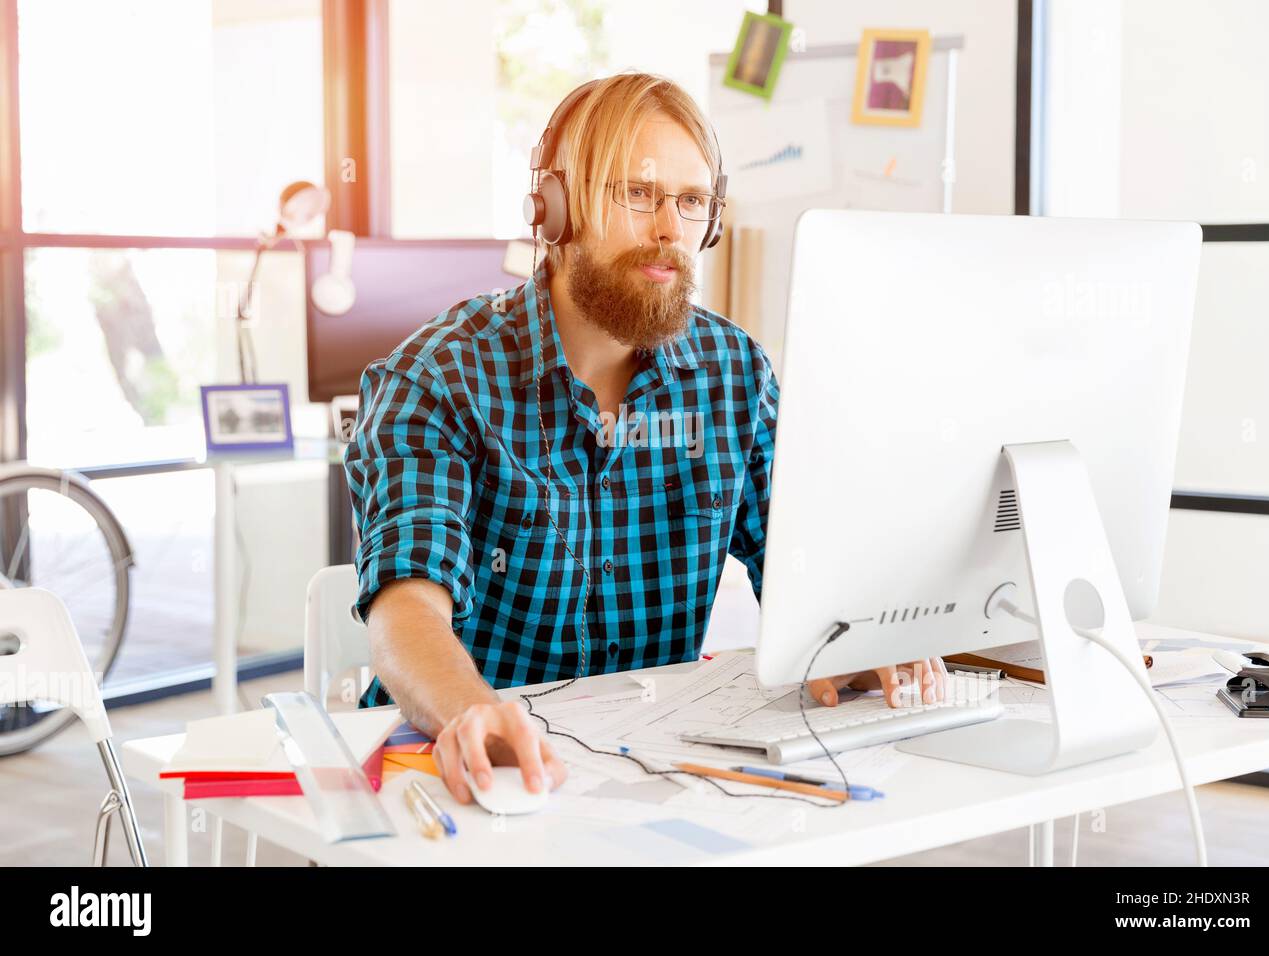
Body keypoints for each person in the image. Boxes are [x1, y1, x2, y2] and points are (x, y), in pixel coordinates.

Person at [343, 73, 947, 806]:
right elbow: (407, 604)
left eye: (691, 202)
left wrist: (855, 641)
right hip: (462, 774)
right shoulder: (436, 376)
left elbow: (802, 564)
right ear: (556, 209)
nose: (669, 230)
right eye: (638, 193)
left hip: (644, 775)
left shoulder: (734, 374)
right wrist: (472, 710)